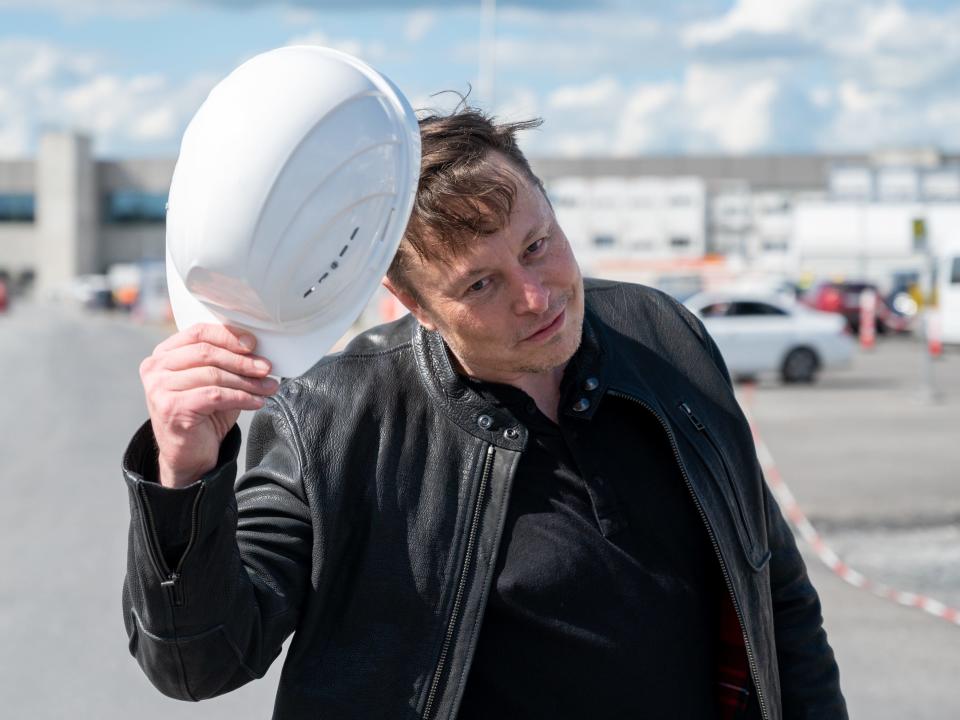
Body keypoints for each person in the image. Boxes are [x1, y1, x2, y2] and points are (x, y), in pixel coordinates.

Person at [122, 107, 847, 720]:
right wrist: (185, 474)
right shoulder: (333, 415)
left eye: (539, 244)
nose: (536, 296)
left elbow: (775, 591)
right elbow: (202, 662)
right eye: (480, 283)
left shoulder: (664, 335)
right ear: (414, 304)